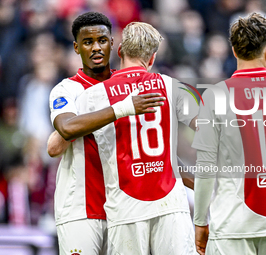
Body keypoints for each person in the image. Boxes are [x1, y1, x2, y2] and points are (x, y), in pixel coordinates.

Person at [192, 13, 266, 255]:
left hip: (231, 224)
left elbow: (204, 168)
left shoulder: (216, 95)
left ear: (234, 51)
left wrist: (200, 221)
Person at [76, 22, 198, 254]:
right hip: (170, 204)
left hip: (125, 206)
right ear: (152, 59)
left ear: (120, 50)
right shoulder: (173, 86)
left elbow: (70, 137)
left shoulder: (91, 96)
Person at [48, 12, 165, 255]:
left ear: (113, 43)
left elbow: (160, 150)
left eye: (102, 40)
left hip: (125, 209)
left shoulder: (129, 87)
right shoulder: (67, 89)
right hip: (80, 209)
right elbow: (65, 131)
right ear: (76, 47)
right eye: (87, 42)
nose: (96, 48)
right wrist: (125, 108)